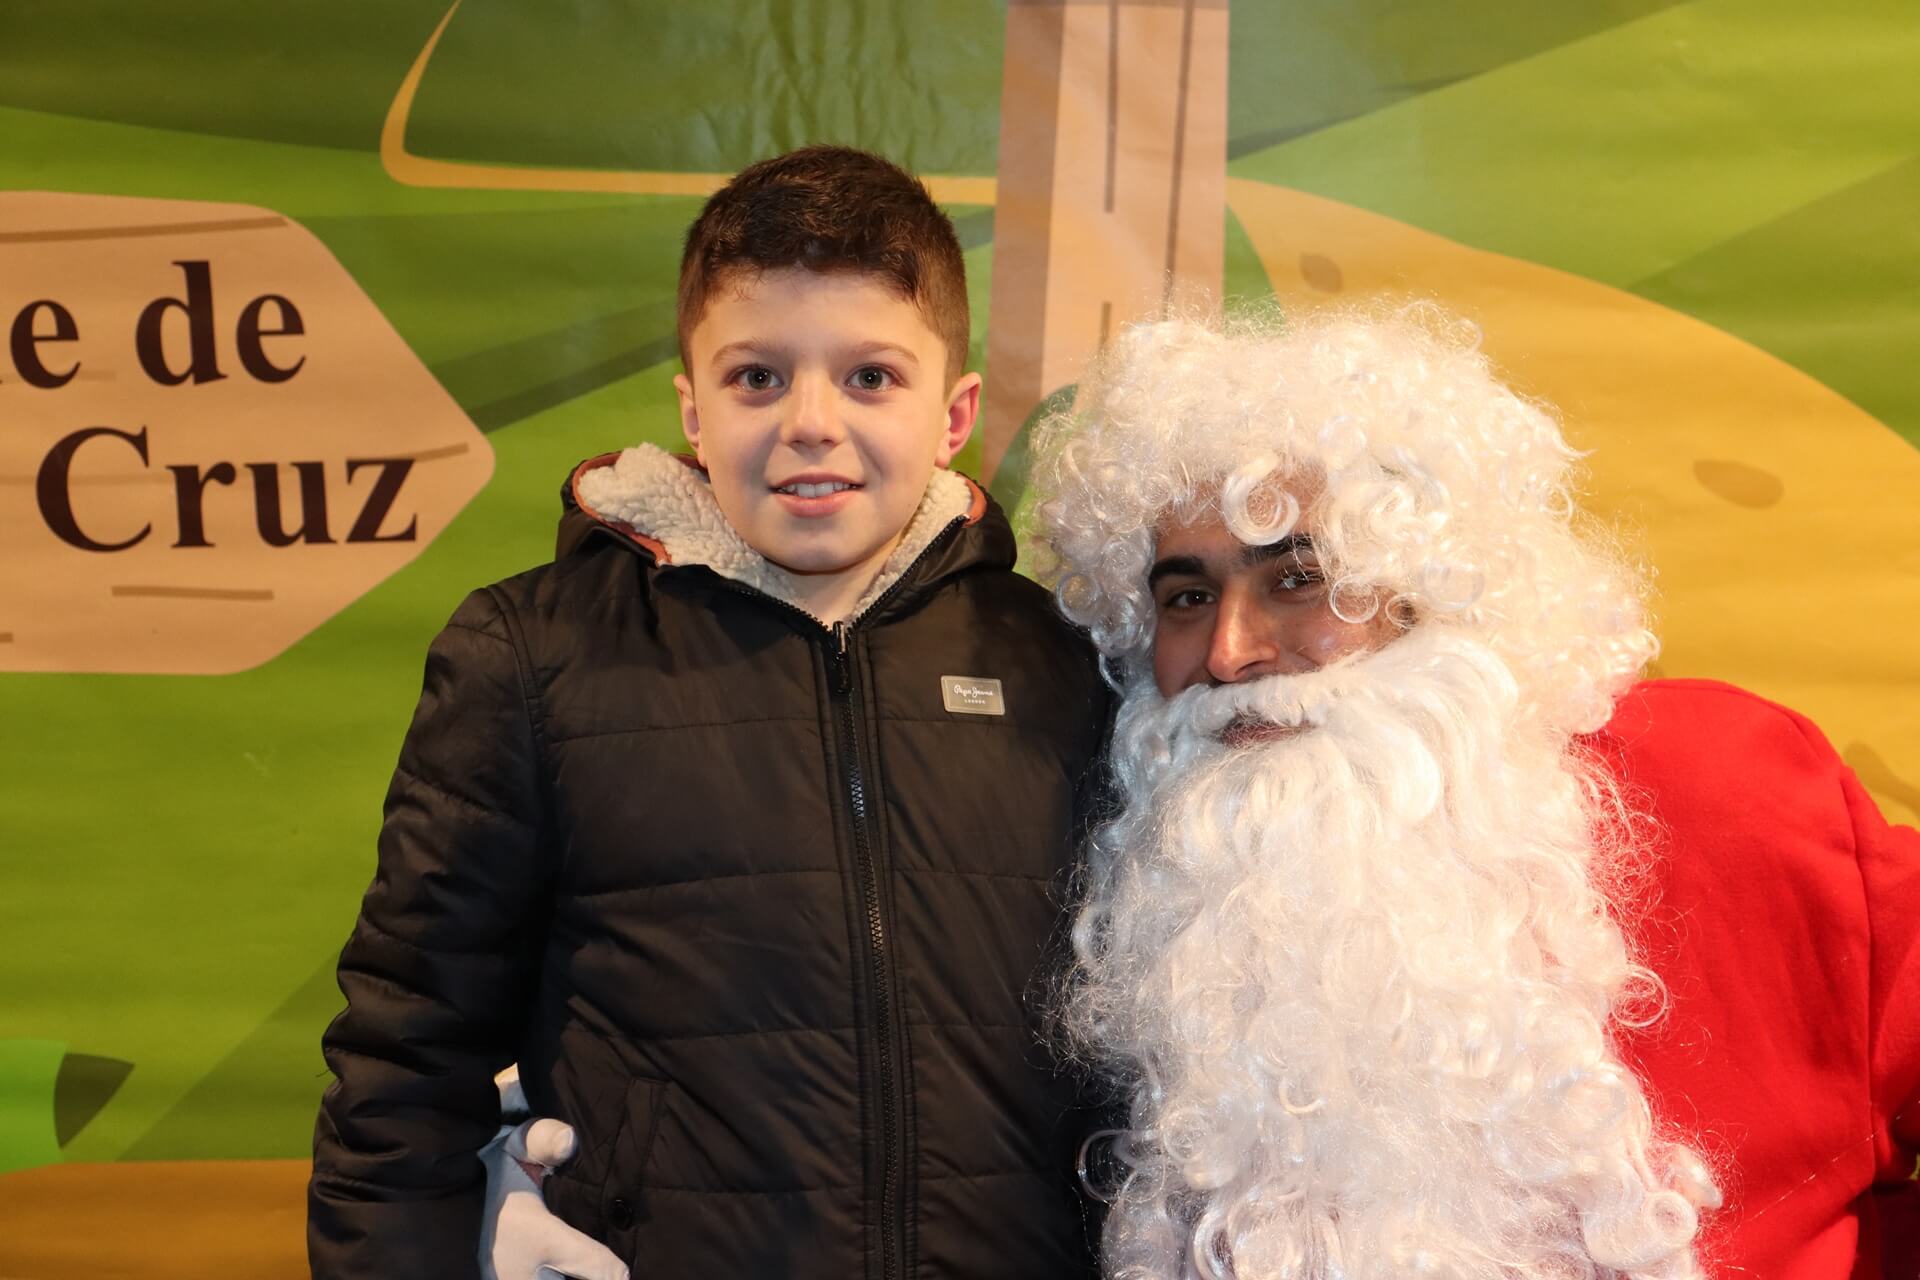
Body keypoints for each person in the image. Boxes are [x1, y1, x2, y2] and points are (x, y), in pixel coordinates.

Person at [308, 146, 1111, 1280]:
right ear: (692, 407)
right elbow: (406, 1043)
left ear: (955, 414)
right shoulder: (534, 654)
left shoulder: (1062, 662)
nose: (812, 421)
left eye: (871, 376)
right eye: (758, 377)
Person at [1029, 306, 1920, 1278]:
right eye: (1188, 597)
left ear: (1431, 591)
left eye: (1298, 578)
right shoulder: (1153, 908)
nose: (1230, 652)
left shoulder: (1725, 784)